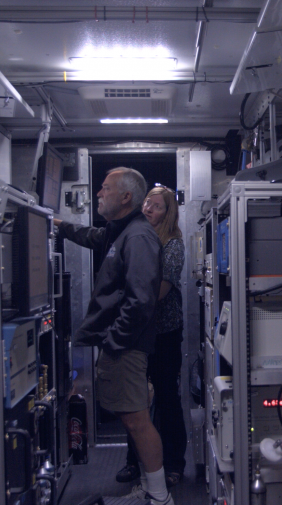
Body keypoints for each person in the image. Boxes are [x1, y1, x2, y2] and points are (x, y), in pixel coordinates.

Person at [54, 167, 174, 505]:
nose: (98, 194)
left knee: (137, 420)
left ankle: (159, 497)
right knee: (132, 417)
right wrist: (63, 228)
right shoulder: (119, 232)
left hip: (127, 346)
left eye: (105, 189)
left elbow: (141, 299)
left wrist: (114, 342)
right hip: (122, 344)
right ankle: (154, 492)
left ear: (125, 197)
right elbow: (94, 238)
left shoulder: (137, 236)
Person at [116, 186, 187, 488]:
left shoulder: (172, 245)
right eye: (146, 203)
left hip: (163, 334)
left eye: (156, 206)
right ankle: (135, 462)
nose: (147, 209)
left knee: (167, 398)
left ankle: (173, 463)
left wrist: (123, 299)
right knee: (135, 403)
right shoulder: (135, 237)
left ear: (167, 213)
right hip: (137, 333)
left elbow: (159, 291)